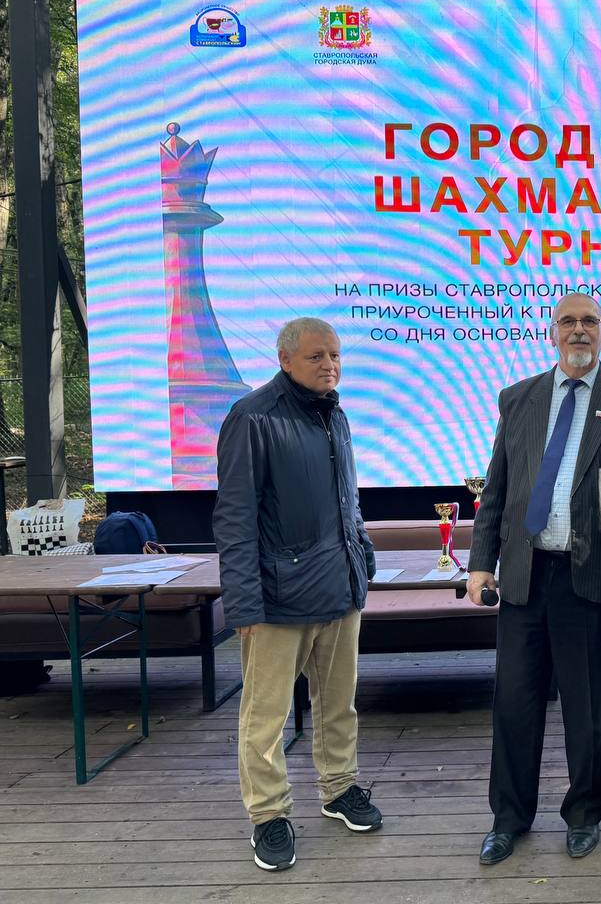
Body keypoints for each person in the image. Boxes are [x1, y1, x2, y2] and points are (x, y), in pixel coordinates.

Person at [213, 316, 383, 872]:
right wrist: (243, 603)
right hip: (277, 600)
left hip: (340, 588)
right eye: (316, 357)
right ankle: (268, 815)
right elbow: (234, 518)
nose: (329, 365)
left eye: (334, 356)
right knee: (265, 717)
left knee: (338, 704)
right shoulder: (252, 417)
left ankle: (340, 789)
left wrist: (362, 557)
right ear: (285, 359)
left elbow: (346, 500)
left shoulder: (336, 414)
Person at [467, 293, 601, 865]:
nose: (578, 330)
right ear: (552, 331)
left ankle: (584, 814)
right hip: (524, 576)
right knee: (514, 704)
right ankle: (508, 819)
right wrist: (480, 563)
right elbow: (497, 487)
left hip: (592, 575)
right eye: (568, 322)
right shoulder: (519, 398)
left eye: (589, 322)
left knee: (589, 709)